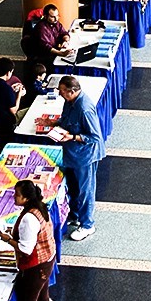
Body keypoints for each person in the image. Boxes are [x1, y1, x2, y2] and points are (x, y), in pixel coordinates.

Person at [0, 180, 56, 301]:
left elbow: (25, 249)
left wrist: (8, 239)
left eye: (16, 194)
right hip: (48, 260)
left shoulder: (29, 219)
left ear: (25, 198)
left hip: (36, 267)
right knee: (42, 295)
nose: (14, 197)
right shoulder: (39, 209)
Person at [57, 75, 106, 241]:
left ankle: (87, 224)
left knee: (86, 191)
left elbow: (94, 136)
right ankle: (75, 214)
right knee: (73, 186)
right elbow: (66, 120)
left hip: (85, 156)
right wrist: (52, 125)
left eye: (62, 90)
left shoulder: (85, 109)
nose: (59, 92)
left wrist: (72, 137)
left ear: (72, 91)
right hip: (71, 155)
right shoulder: (69, 102)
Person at [29, 4, 74, 70]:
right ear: (45, 16)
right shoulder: (41, 28)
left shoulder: (56, 23)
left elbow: (64, 33)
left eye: (57, 16)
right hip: (45, 56)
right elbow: (46, 47)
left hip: (55, 50)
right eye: (52, 17)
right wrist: (61, 53)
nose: (56, 19)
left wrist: (66, 40)